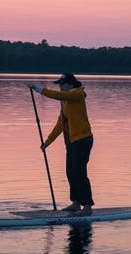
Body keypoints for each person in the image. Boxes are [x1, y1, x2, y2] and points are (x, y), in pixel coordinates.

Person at [29, 73, 95, 214]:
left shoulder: (77, 94)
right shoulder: (65, 101)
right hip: (71, 141)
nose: (60, 87)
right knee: (70, 172)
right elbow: (60, 124)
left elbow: (60, 96)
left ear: (70, 84)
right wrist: (47, 142)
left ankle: (88, 206)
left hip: (83, 140)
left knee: (79, 172)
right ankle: (76, 203)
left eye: (62, 84)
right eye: (59, 84)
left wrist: (39, 89)